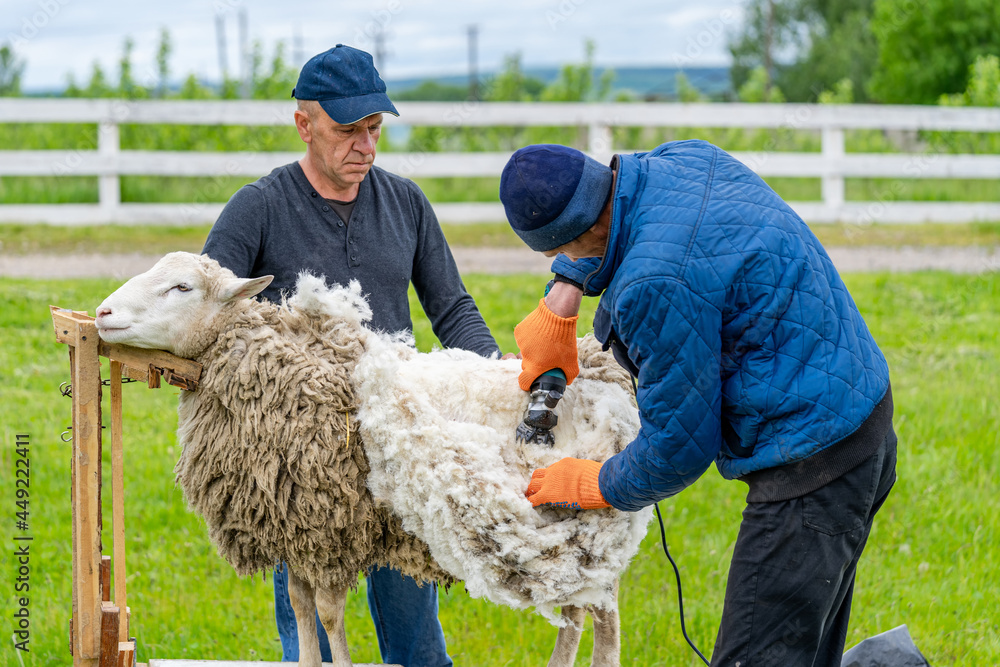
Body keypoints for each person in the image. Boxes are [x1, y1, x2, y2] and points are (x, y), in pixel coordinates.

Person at [499, 141, 897, 666]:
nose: (559, 265)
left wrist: (594, 482)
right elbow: (617, 223)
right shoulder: (683, 160)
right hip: (859, 411)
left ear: (585, 231)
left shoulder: (652, 284)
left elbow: (679, 449)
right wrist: (565, 292)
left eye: (558, 255)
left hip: (812, 461)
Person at [203, 44, 500, 667]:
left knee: (415, 626)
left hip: (397, 437)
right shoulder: (258, 207)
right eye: (347, 131)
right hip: (302, 458)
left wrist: (500, 379)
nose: (365, 146)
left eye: (374, 129)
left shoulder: (407, 203)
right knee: (308, 627)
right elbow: (209, 307)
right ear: (304, 124)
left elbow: (451, 308)